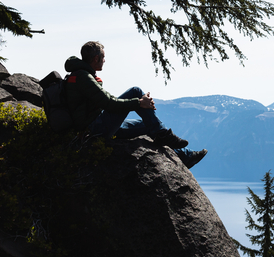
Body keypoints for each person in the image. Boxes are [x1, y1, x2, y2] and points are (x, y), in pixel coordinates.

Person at [64, 41, 207, 169]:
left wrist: (140, 103)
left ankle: (184, 156)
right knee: (135, 91)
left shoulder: (83, 75)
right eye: (103, 57)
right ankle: (161, 133)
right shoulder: (84, 77)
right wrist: (139, 102)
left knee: (147, 125)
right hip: (94, 129)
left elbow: (105, 100)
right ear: (96, 58)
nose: (104, 60)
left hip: (97, 124)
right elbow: (109, 103)